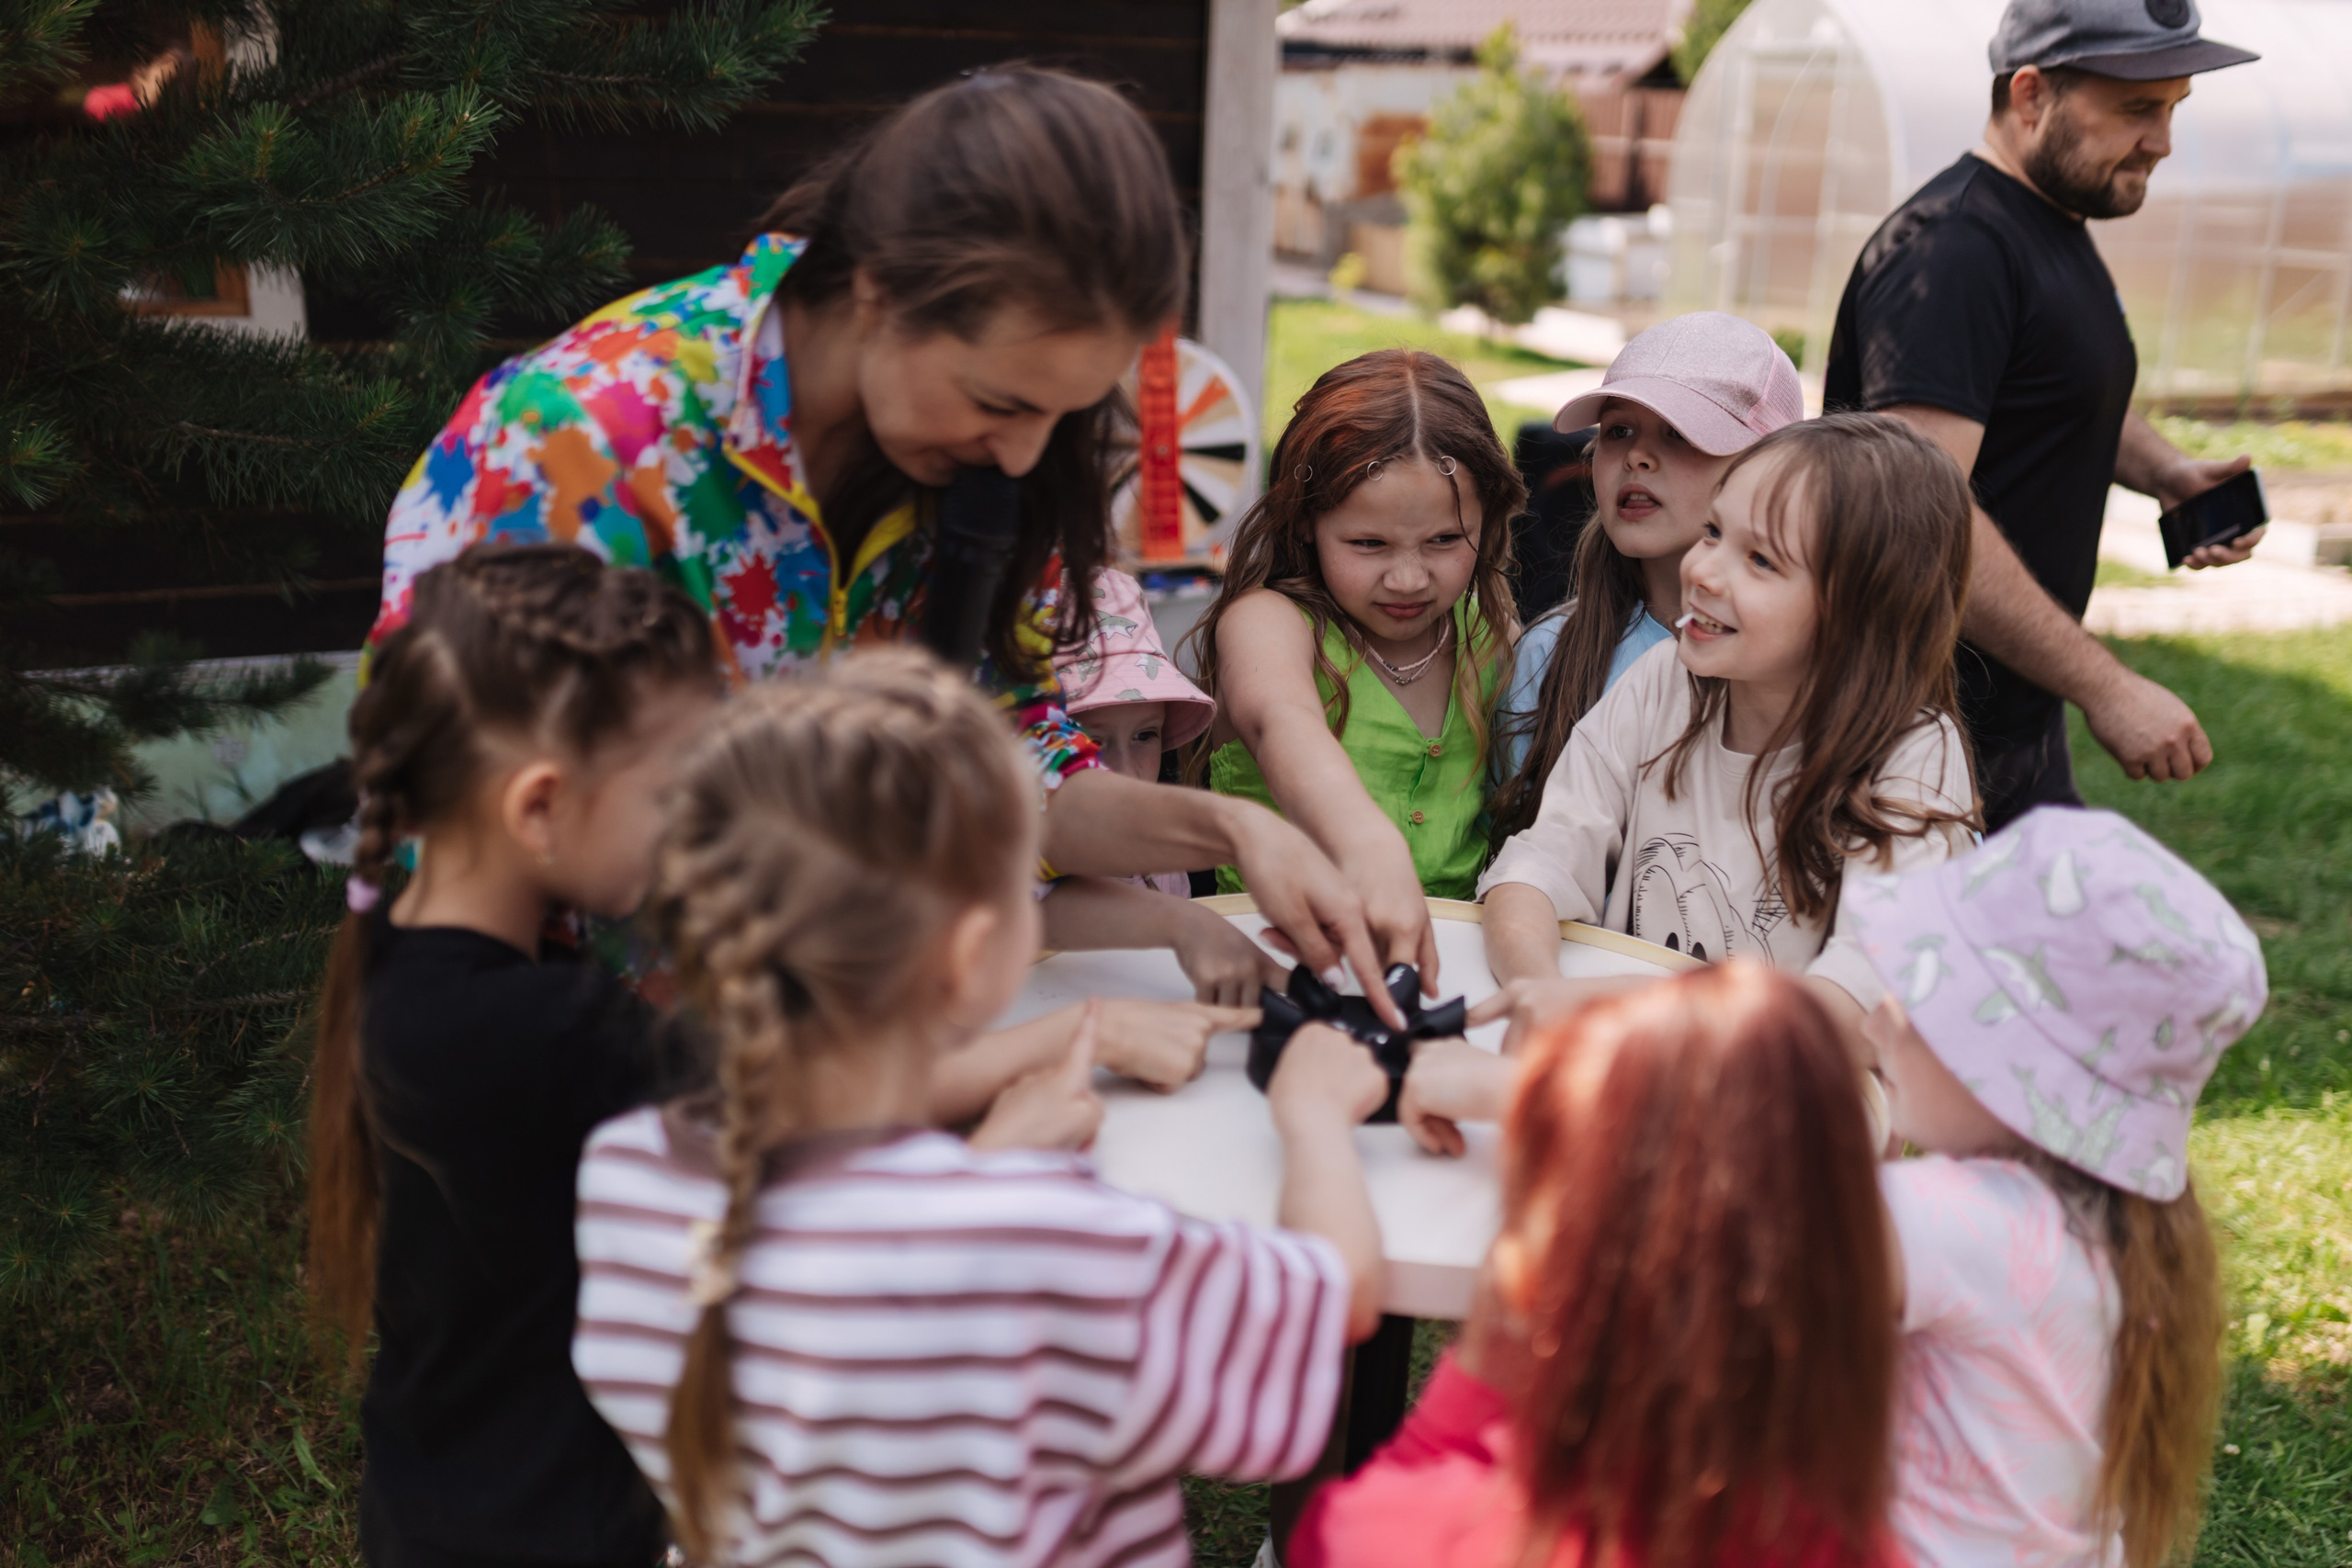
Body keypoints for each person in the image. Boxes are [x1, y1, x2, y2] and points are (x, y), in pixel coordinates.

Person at [370, 66, 1400, 1019]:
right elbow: (450, 864)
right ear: (877, 293)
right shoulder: (571, 446)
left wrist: (1233, 830)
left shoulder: (982, 462)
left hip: (836, 1069)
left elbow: (1004, 767)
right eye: (1001, 402)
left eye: (1064, 416)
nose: (1024, 453)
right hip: (570, 1073)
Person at [571, 649, 1394, 1568]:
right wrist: (1316, 1113)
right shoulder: (1037, 1235)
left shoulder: (625, 1173)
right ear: (970, 955)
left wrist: (988, 1161)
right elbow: (1332, 1298)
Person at [306, 545, 723, 1568]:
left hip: (436, 1503)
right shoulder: (546, 1027)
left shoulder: (406, 956)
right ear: (538, 808)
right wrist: (1045, 1052)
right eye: (668, 795)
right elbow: (811, 1105)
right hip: (549, 1529)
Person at [1290, 964, 1904, 1568]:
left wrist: (1477, 1365)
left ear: (1531, 1276)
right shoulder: (1862, 1547)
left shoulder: (1378, 1537)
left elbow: (1369, 1516)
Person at [1823, 0, 2261, 830]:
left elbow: (2050, 385)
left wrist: (2165, 470)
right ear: (2030, 96)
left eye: (2174, 108)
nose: (2162, 141)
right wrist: (2107, 685)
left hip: (2013, 724)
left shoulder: (2047, 221)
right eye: (2137, 108)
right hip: (1914, 747)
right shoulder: (1952, 249)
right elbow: (1922, 512)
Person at [1844, 806, 2263, 1568]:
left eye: (1921, 996)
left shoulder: (1950, 1218)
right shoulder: (2118, 1230)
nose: (1876, 1026)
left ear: (2013, 1066)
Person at [1479, 413, 1978, 1043]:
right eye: (1713, 532)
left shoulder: (1913, 757)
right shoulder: (1662, 683)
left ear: (1862, 611)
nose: (1704, 571)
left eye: (1761, 560)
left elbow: (1855, 1005)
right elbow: (1538, 864)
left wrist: (1618, 1006)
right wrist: (1539, 991)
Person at [1187, 350, 1525, 977]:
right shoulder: (1270, 623)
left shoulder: (1492, 634)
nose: (1408, 578)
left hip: (1451, 969)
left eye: (1445, 540)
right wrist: (1365, 842)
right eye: (1369, 543)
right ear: (1305, 521)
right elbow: (1283, 722)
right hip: (1279, 965)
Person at [1492, 312, 1805, 838]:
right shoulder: (1547, 655)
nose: (1637, 455)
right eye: (1618, 431)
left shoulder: (1819, 660)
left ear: (1774, 466)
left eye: (1680, 433)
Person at [1037, 567, 1288, 1008]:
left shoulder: (1166, 856)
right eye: (1090, 743)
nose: (1128, 773)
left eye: (1145, 735)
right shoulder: (1016, 853)